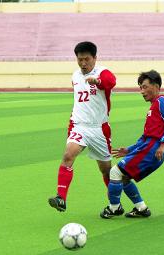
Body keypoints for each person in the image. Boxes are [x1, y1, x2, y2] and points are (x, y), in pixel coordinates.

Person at [48, 41, 117, 212]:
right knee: (68, 155)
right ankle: (61, 198)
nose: (83, 63)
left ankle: (115, 204)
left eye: (87, 59)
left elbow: (111, 82)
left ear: (95, 58)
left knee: (106, 170)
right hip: (79, 125)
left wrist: (98, 81)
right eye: (80, 60)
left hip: (99, 129)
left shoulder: (103, 72)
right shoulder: (75, 75)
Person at [100, 70, 164, 219]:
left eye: (145, 87)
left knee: (115, 172)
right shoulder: (154, 106)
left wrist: (163, 144)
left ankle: (114, 207)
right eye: (140, 87)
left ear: (155, 86)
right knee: (124, 177)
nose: (142, 91)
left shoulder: (163, 102)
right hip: (148, 147)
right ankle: (141, 208)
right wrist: (129, 149)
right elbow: (145, 137)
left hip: (153, 149)